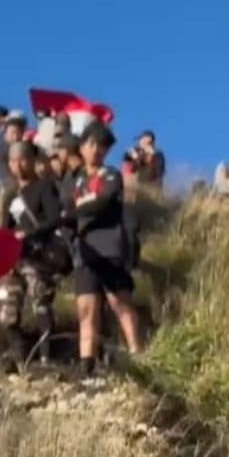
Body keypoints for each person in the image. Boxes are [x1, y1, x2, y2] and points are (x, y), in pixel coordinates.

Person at [68, 124, 144, 375]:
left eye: (102, 146)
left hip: (110, 246)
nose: (96, 150)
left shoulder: (111, 175)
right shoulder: (75, 179)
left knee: (118, 301)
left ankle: (138, 355)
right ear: (82, 147)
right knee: (86, 308)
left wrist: (80, 207)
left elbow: (103, 201)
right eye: (91, 144)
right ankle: (86, 363)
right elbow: (65, 207)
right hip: (84, 250)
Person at [0, 143, 70, 368]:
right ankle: (20, 355)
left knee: (40, 303)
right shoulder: (10, 196)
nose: (17, 165)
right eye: (12, 160)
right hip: (16, 260)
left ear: (32, 160)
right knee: (8, 311)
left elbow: (55, 219)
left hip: (40, 258)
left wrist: (29, 234)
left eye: (22, 159)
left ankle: (46, 358)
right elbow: (5, 229)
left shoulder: (44, 187)